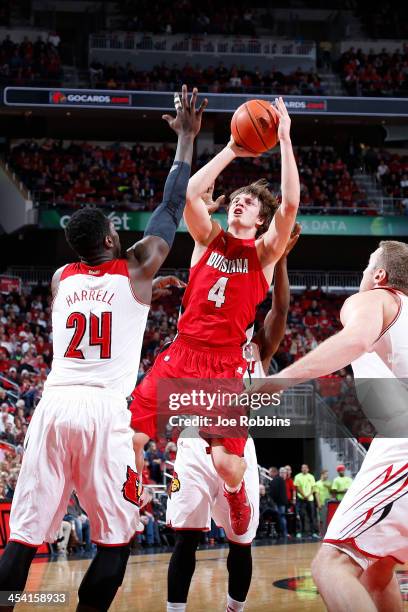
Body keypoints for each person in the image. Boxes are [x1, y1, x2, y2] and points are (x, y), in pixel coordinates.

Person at [0, 85, 207, 612]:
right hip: (103, 411)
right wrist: (185, 139)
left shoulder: (59, 278)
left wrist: (142, 297)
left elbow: (101, 304)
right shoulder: (137, 267)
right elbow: (170, 205)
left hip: (53, 407)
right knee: (115, 540)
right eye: (117, 231)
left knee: (23, 539)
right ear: (114, 243)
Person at [131, 96, 300, 538]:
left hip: (226, 364)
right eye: (237, 199)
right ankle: (133, 491)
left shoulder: (263, 254)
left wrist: (283, 140)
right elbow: (188, 195)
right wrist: (231, 148)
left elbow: (290, 208)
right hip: (185, 352)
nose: (239, 203)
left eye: (248, 202)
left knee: (227, 464)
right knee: (132, 434)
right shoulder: (208, 239)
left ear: (261, 219)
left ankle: (237, 491)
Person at [263, 240, 408, 611]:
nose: (361, 274)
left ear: (379, 275)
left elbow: (355, 339)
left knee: (330, 565)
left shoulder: (374, 298)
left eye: (365, 267)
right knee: (377, 571)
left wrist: (277, 381)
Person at [165, 225, 300, 612]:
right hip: (194, 440)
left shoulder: (257, 349)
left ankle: (233, 610)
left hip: (239, 445)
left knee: (240, 542)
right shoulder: (202, 338)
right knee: (185, 539)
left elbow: (280, 310)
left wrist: (280, 258)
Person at [293, 464, 320, 539]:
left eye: (305, 468)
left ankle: (313, 532)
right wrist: (304, 495)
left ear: (308, 469)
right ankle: (299, 532)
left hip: (310, 499)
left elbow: (313, 487)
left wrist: (308, 495)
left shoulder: (311, 476)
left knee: (311, 516)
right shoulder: (297, 476)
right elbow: (297, 487)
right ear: (301, 469)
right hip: (301, 499)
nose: (304, 469)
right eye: (303, 468)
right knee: (300, 516)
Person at [268, 467, 289, 538]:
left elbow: (273, 493)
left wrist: (273, 501)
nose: (269, 473)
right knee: (282, 517)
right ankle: (284, 533)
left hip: (278, 502)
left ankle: (282, 533)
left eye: (270, 472)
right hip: (281, 502)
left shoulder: (276, 480)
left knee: (280, 518)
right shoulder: (280, 480)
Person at [314, 469, 332, 535]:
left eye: (327, 474)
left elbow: (332, 493)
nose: (327, 476)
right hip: (322, 503)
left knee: (328, 518)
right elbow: (316, 494)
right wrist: (319, 503)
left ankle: (328, 532)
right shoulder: (317, 483)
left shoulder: (329, 483)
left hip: (329, 503)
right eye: (326, 474)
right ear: (322, 474)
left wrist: (329, 487)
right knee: (321, 519)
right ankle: (321, 532)